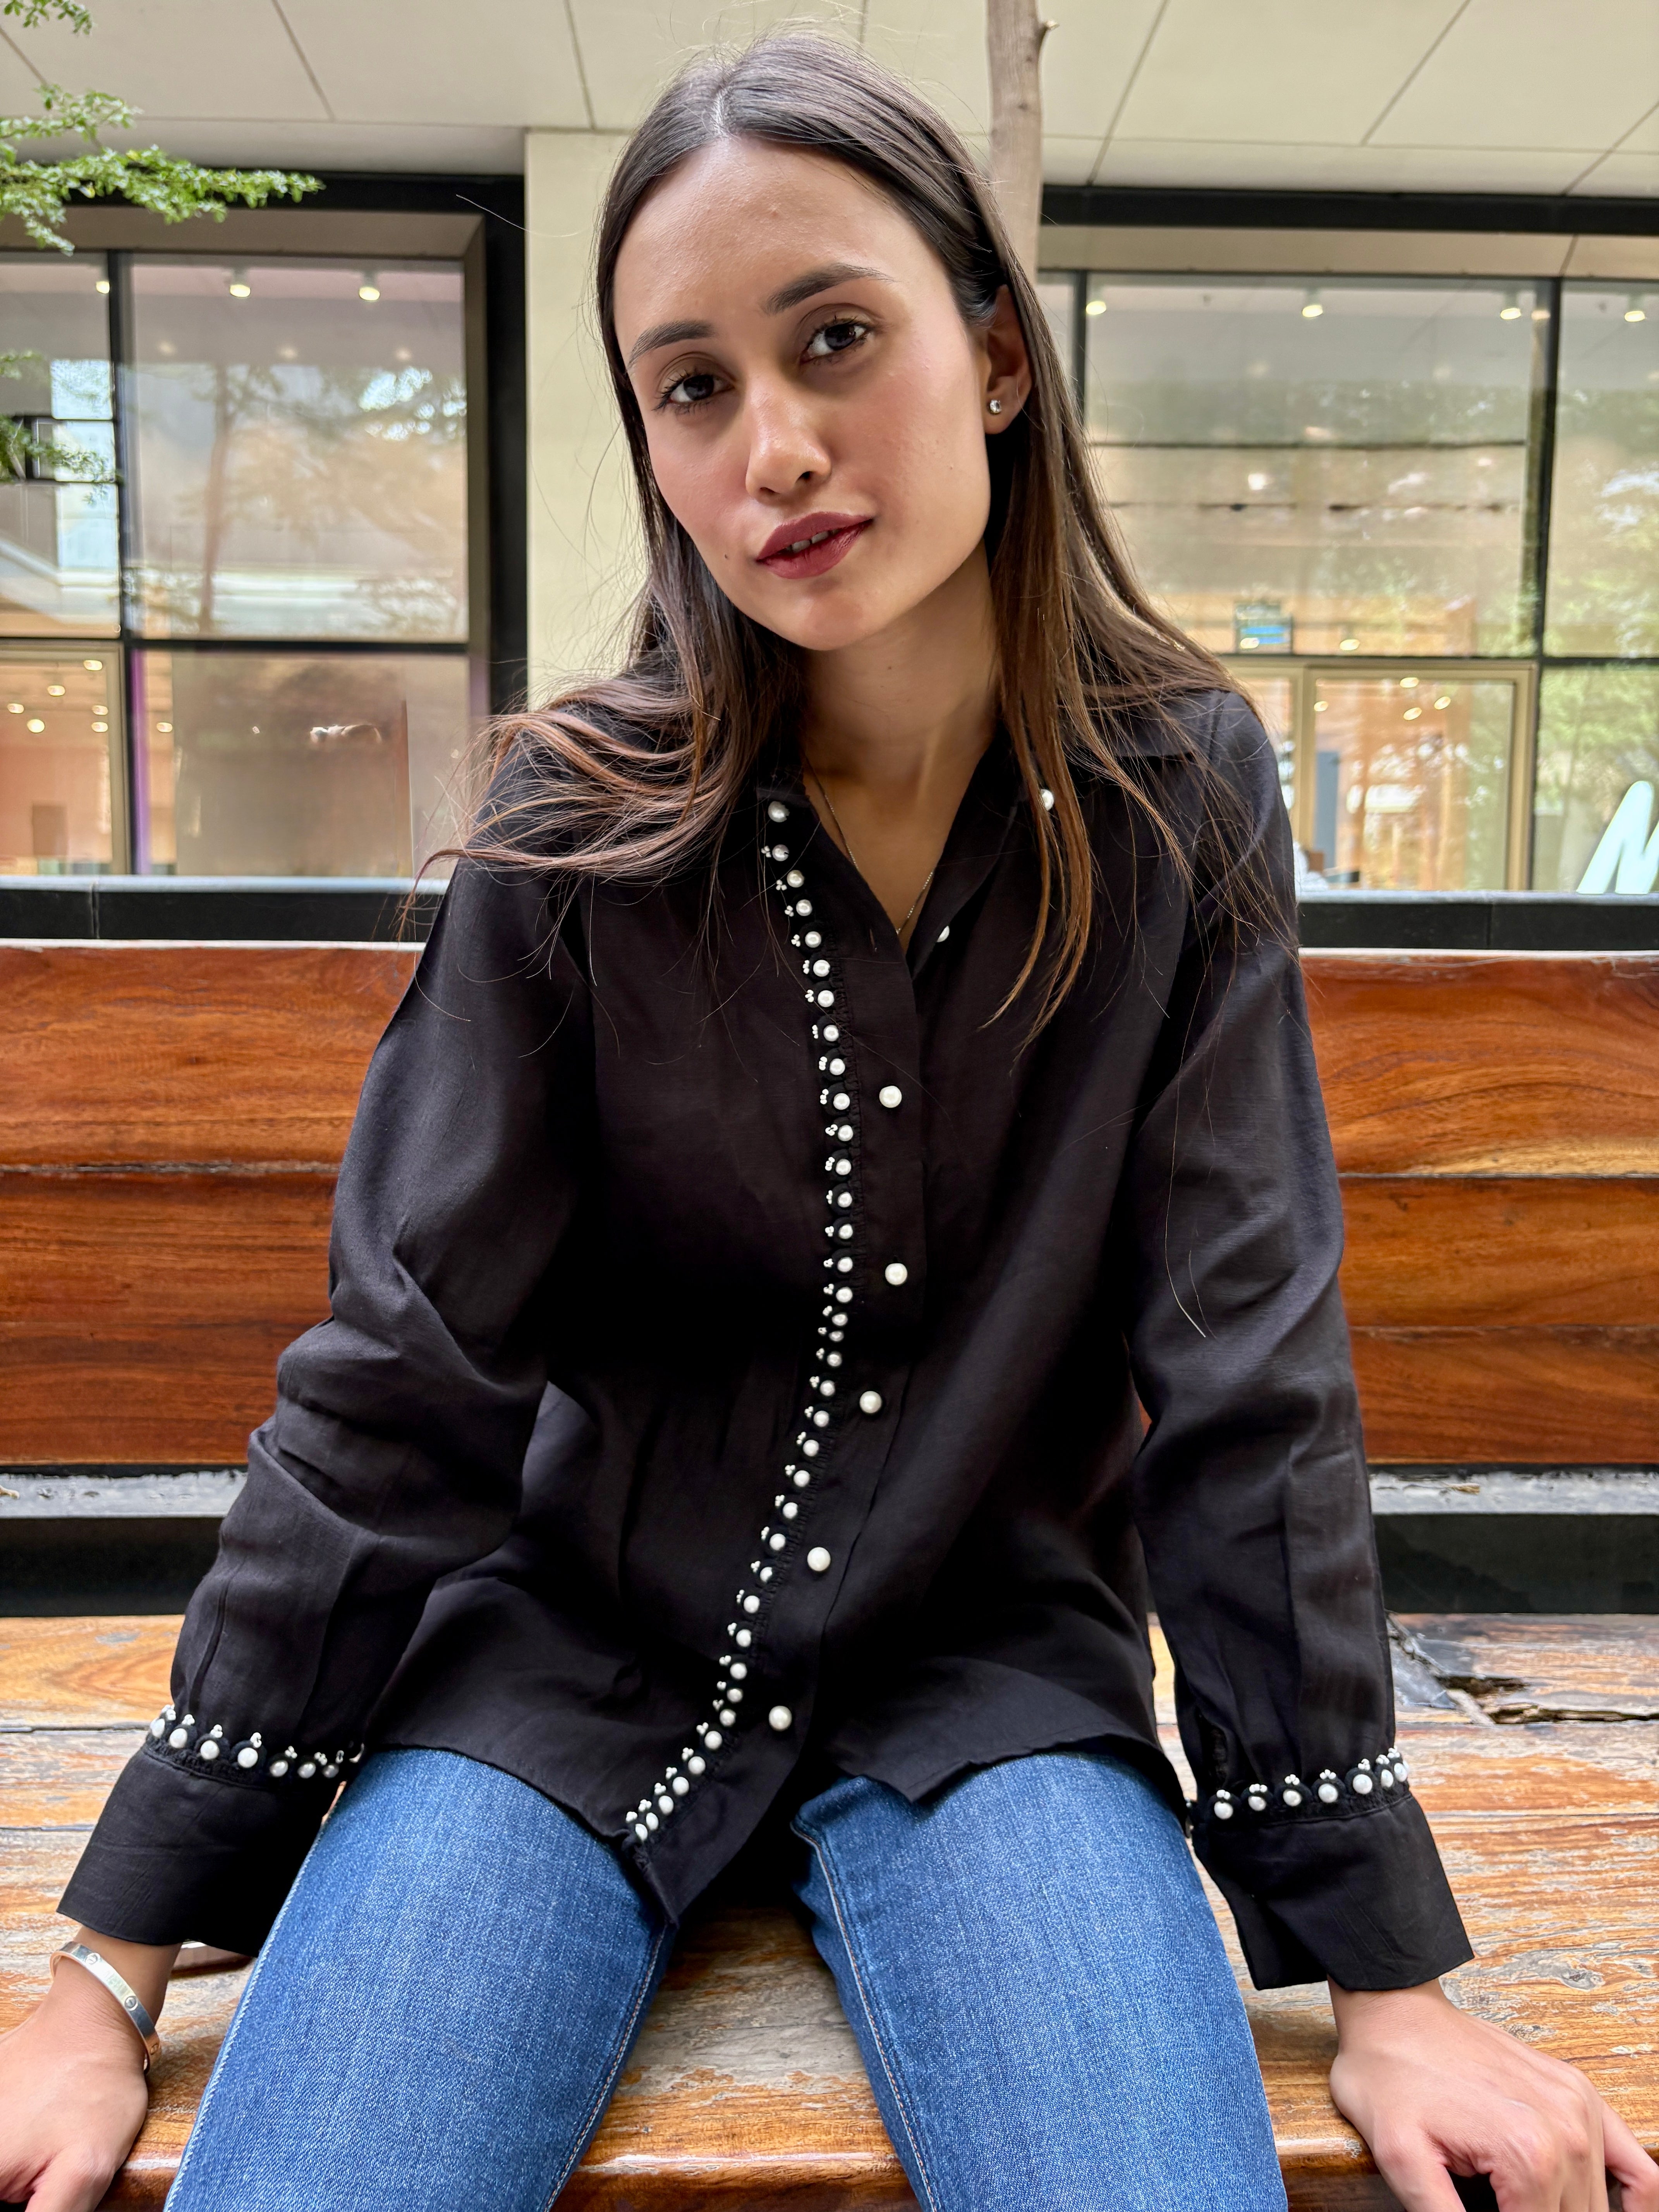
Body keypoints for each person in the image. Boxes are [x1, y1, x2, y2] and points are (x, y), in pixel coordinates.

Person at [3, 36, 1652, 2212]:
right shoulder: (575, 825)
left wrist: (1388, 1974)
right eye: (691, 387)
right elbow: (406, 1376)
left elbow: (1247, 1367)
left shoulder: (1180, 798)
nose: (772, 443)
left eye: (837, 339)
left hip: (998, 1700)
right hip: (557, 1679)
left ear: (995, 356)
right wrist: (108, 1970)